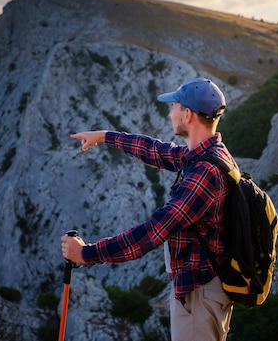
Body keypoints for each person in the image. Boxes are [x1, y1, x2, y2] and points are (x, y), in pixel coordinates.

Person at [62, 78, 235, 341]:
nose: (170, 113)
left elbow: (151, 233)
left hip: (199, 295)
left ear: (187, 114)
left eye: (174, 107)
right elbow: (157, 151)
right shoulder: (205, 154)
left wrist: (87, 253)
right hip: (200, 290)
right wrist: (105, 136)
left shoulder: (205, 173)